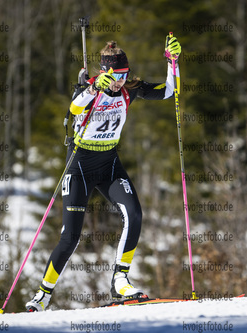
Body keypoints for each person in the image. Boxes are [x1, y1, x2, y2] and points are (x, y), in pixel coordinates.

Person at [26, 35, 181, 311]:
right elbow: (74, 108)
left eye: (125, 74)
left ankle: (120, 280)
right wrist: (93, 86)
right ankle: (43, 296)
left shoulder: (129, 90)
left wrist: (173, 62)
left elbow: (170, 91)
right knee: (70, 237)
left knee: (134, 214)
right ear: (104, 72)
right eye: (115, 75)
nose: (121, 80)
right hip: (80, 166)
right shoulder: (88, 88)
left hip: (109, 164)